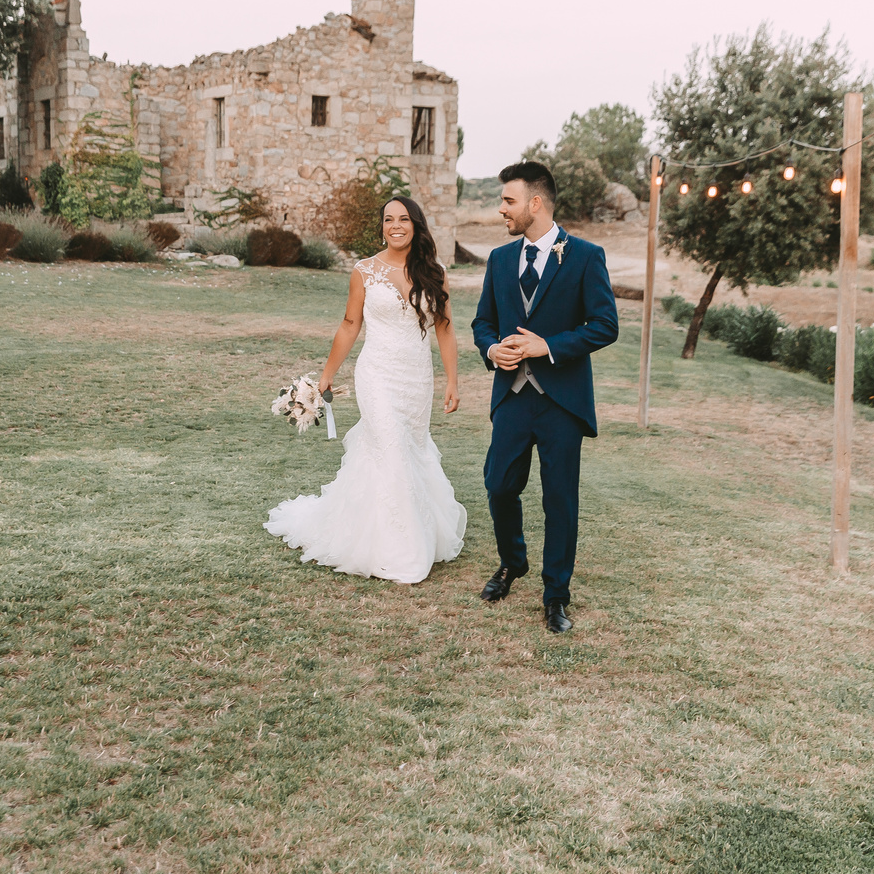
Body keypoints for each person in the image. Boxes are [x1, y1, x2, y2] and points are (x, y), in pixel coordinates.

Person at [265, 196, 467, 583]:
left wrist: (453, 381)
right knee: (390, 446)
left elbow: (444, 327)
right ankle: (400, 550)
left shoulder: (434, 272)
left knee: (409, 449)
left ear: (416, 224)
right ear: (382, 226)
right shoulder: (364, 271)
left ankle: (394, 532)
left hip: (416, 379)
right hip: (376, 375)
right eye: (388, 219)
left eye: (403, 219)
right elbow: (349, 325)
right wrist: (327, 374)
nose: (395, 226)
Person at [471, 161, 619, 633]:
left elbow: (605, 325)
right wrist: (492, 348)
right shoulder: (498, 261)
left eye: (508, 201)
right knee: (499, 486)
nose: (501, 210)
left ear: (535, 203)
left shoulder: (584, 256)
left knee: (560, 501)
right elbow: (482, 323)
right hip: (512, 397)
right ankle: (512, 563)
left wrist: (548, 346)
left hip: (561, 403)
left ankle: (556, 595)